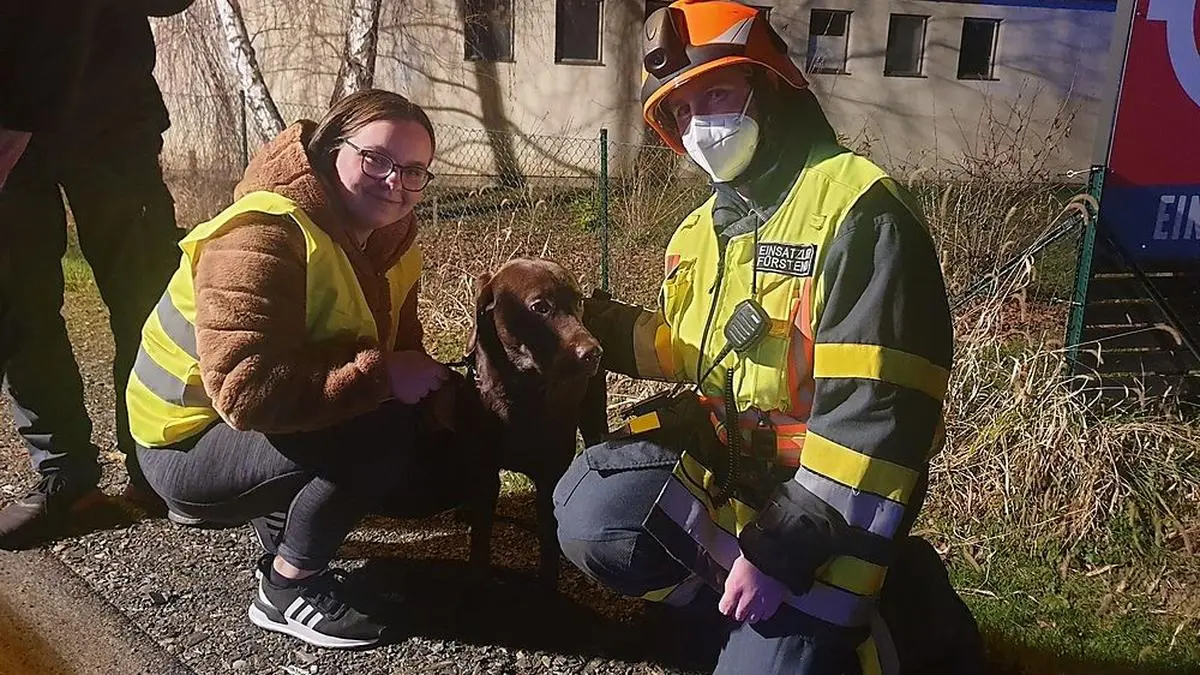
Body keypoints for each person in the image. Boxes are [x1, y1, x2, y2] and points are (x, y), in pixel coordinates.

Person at [556, 2, 982, 673]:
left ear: (772, 84)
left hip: (828, 512)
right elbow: (688, 349)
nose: (701, 126)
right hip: (738, 492)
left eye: (717, 93)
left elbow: (875, 421)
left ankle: (898, 618)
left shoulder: (860, 211)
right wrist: (587, 320)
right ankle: (728, 614)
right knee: (589, 508)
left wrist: (777, 556)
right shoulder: (701, 232)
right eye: (683, 113)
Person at [129, 89, 465, 650]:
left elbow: (401, 346)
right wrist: (382, 377)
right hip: (184, 443)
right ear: (332, 148)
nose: (395, 183)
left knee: (405, 430)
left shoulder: (393, 241)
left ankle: (283, 521)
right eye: (376, 160)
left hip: (248, 429)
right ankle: (286, 590)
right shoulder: (263, 233)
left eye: (413, 171)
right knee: (377, 430)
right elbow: (245, 393)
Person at [0, 0, 196, 550]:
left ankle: (157, 463)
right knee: (20, 302)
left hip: (107, 116)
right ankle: (66, 478)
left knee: (146, 299)